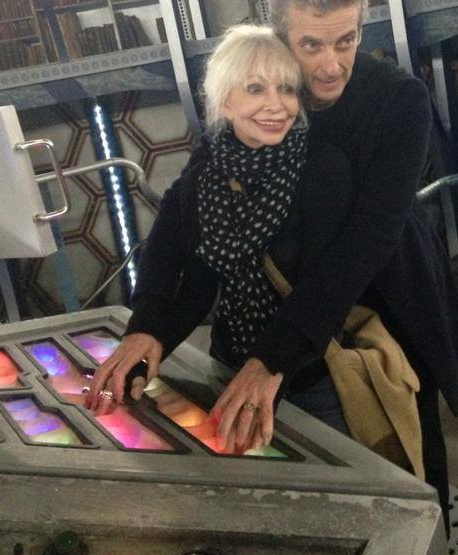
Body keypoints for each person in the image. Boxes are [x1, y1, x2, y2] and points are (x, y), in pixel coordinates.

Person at [263, 0, 458, 530]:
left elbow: (371, 235)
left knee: (415, 458)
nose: (331, 65)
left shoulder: (401, 99)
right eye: (311, 45)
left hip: (398, 293)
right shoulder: (265, 95)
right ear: (280, 36)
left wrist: (277, 349)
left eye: (346, 40)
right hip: (309, 301)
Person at [86, 24, 354, 452]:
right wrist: (148, 332)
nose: (276, 105)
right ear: (225, 101)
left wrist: (271, 363)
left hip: (311, 374)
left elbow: (329, 285)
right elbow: (176, 266)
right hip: (229, 363)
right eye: (256, 88)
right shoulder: (205, 176)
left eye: (287, 89)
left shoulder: (324, 169)